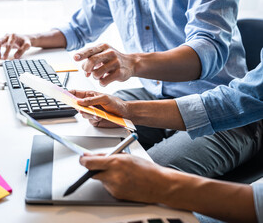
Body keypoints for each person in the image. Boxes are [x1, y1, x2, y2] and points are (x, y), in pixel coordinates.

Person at [0, 0, 261, 178]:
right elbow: (79, 27)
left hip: (226, 113)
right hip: (155, 96)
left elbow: (208, 50)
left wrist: (132, 63)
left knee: (139, 176)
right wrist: (31, 39)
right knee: (71, 141)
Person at [72, 49, 263, 222]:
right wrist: (127, 110)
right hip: (186, 100)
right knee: (92, 136)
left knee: (130, 184)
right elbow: (236, 99)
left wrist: (162, 185)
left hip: (238, 124)